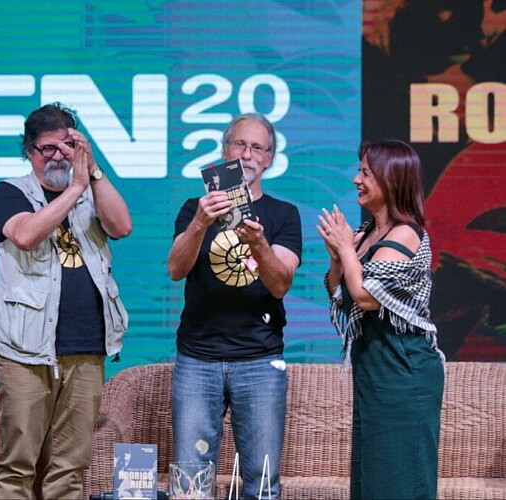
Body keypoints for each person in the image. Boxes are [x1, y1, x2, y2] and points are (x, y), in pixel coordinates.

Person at [0, 102, 132, 499]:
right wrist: (75, 189)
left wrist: (93, 170)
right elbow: (25, 235)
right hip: (25, 350)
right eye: (47, 148)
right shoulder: (11, 191)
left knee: (70, 467)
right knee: (17, 465)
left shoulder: (90, 191)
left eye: (67, 147)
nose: (57, 157)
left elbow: (122, 226)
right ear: (29, 150)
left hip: (87, 346)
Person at [167, 112, 302, 499]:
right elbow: (175, 269)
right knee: (190, 483)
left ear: (269, 159)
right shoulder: (194, 208)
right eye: (239, 144)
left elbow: (280, 284)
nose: (247, 154)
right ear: (225, 151)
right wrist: (200, 223)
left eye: (257, 148)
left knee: (262, 482)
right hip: (197, 359)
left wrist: (258, 243)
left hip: (260, 360)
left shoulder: (283, 215)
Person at [317, 139, 445, 499]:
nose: (356, 179)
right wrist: (338, 257)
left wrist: (347, 249)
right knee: (370, 483)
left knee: (399, 483)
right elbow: (340, 295)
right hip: (373, 371)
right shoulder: (366, 233)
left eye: (366, 173)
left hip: (403, 371)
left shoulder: (406, 233)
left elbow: (365, 295)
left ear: (391, 180)